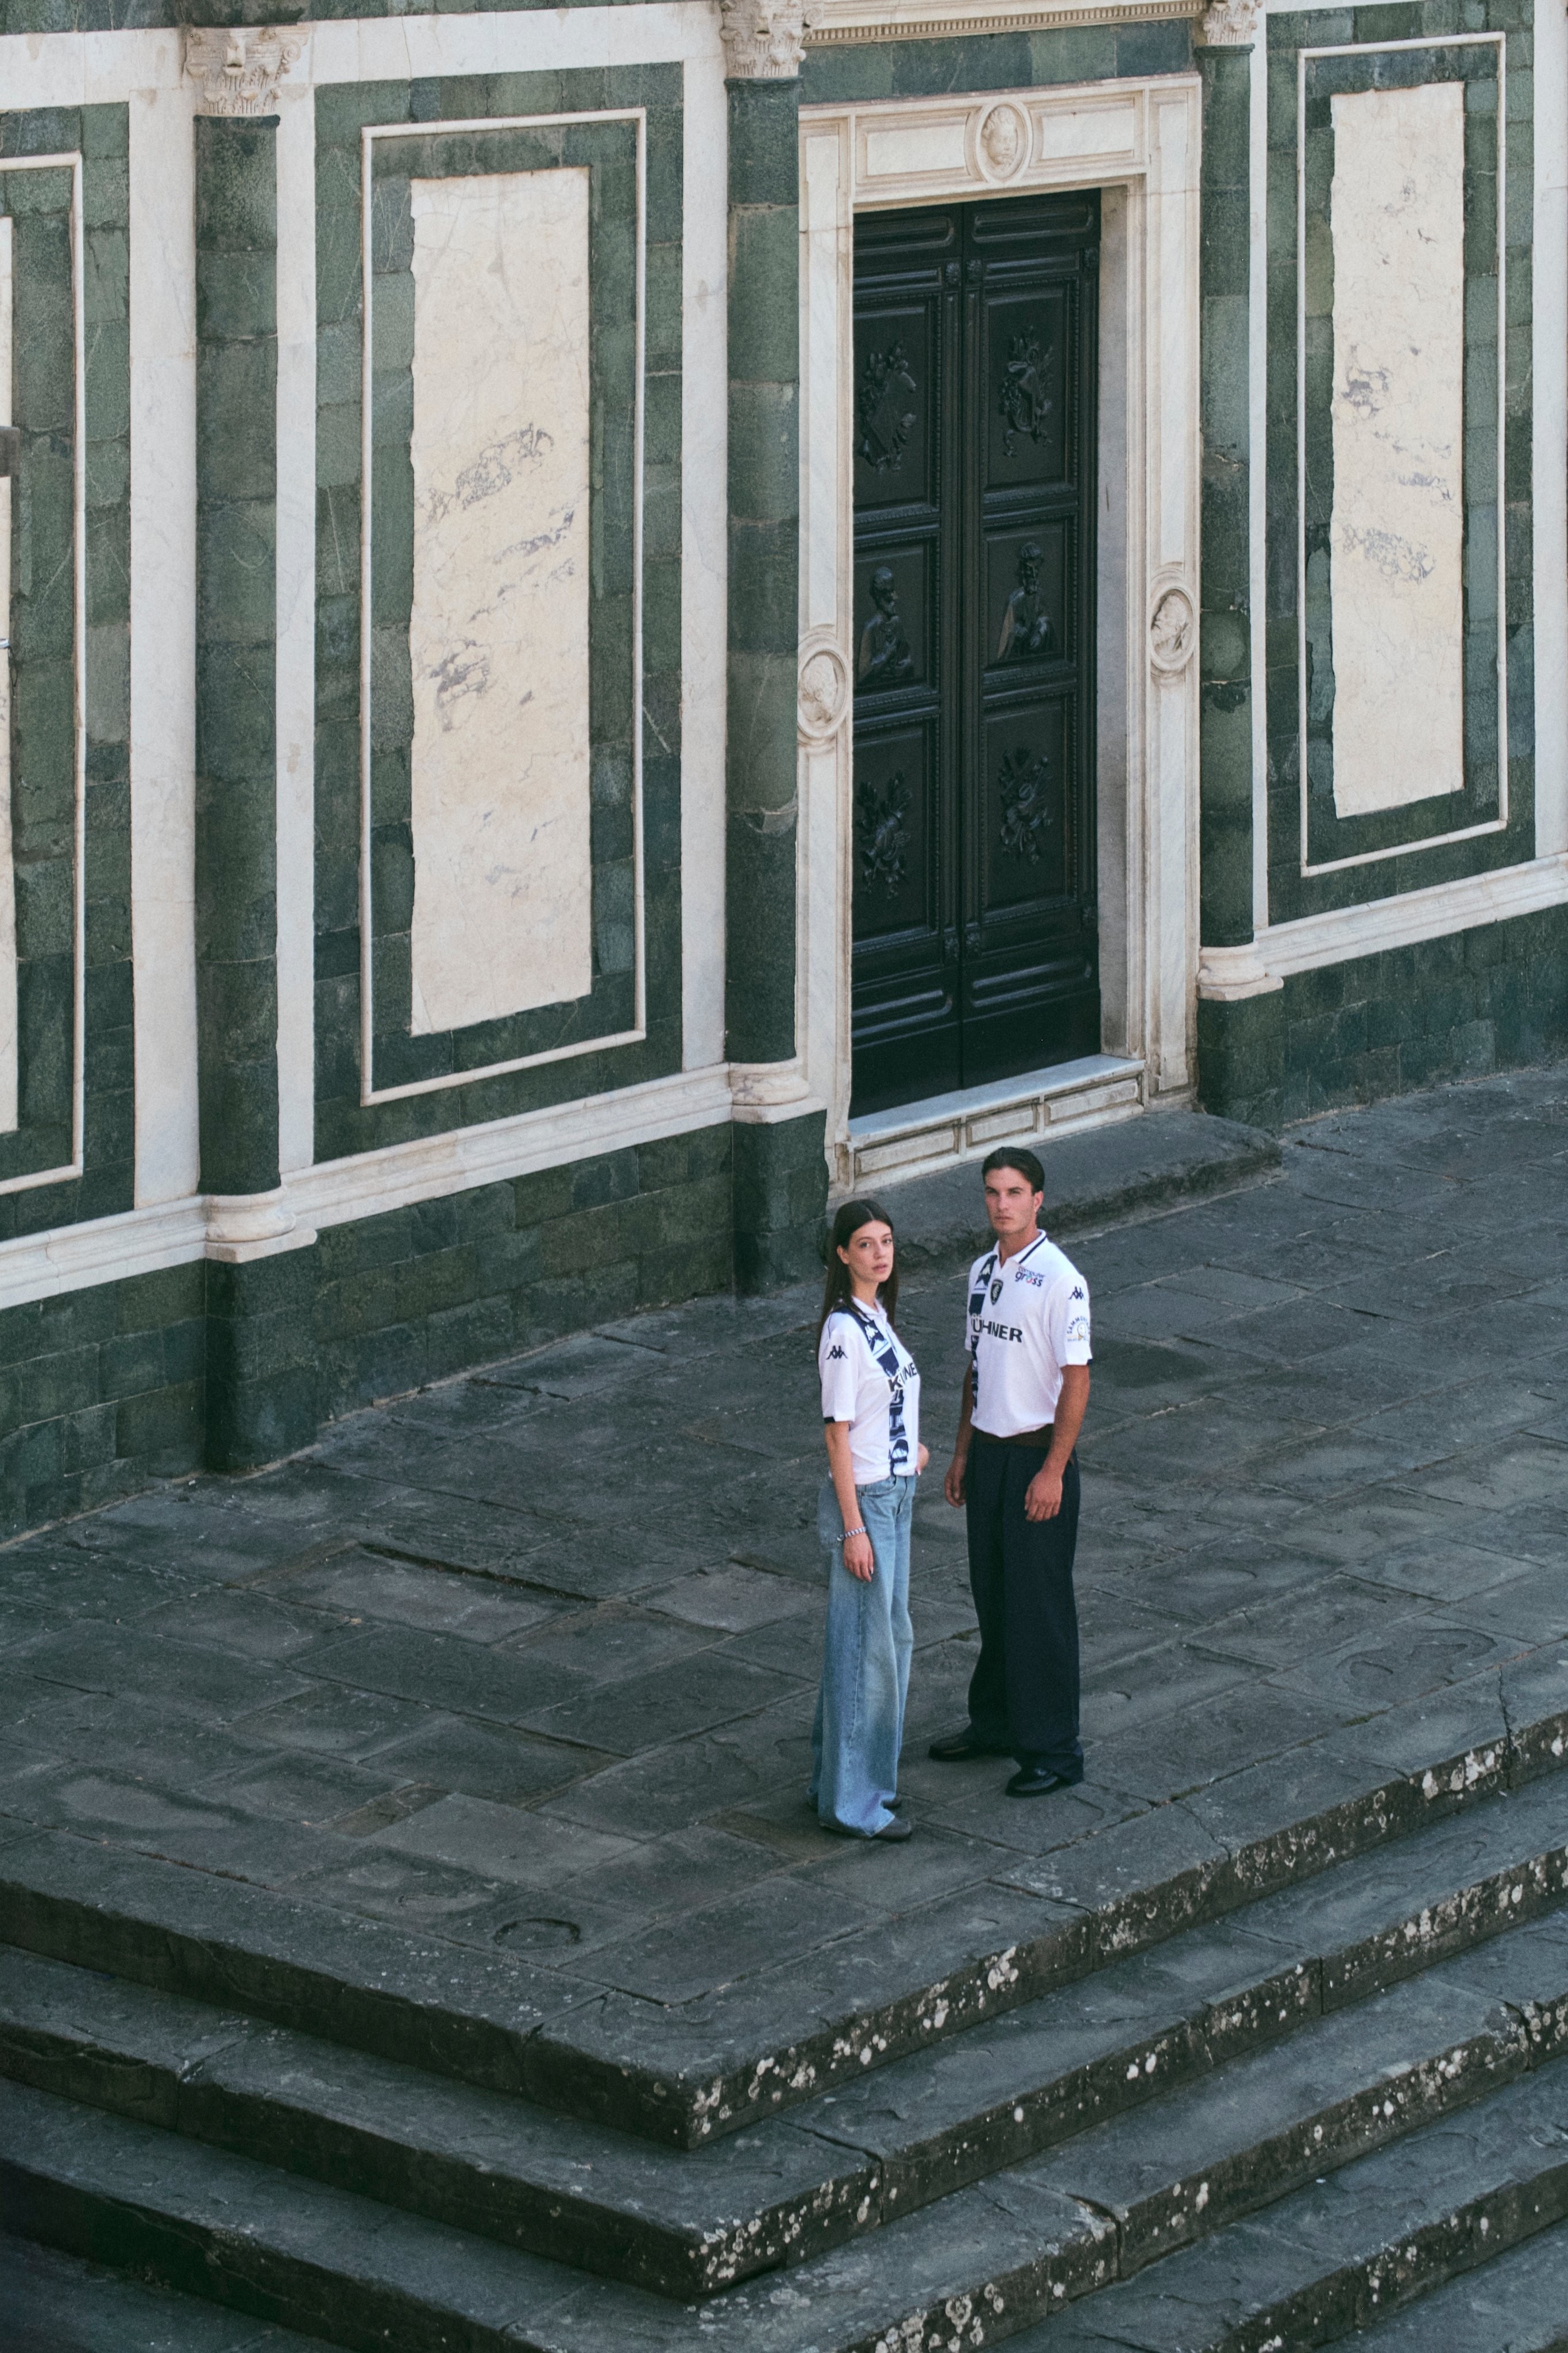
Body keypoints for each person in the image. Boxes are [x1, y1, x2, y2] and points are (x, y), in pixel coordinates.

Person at [930, 1148, 1091, 1797]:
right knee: (993, 1596)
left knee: (1039, 1609)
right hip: (991, 1457)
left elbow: (1077, 1382)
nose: (1003, 1204)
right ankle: (995, 1721)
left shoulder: (1061, 1279)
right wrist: (963, 1453)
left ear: (1039, 1199)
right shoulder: (979, 1272)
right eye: (993, 1192)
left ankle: (1054, 1749)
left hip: (1035, 1458)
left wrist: (1053, 1470)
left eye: (1015, 1192)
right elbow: (976, 1371)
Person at [810, 1198, 928, 1840]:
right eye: (865, 1243)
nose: (880, 1253)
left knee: (888, 1642)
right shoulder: (842, 1331)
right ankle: (852, 1805)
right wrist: (853, 1528)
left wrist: (913, 1450)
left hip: (896, 1492)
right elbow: (837, 1434)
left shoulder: (876, 1315)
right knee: (868, 1654)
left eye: (887, 1240)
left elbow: (885, 1406)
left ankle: (846, 1782)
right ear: (842, 1254)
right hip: (868, 1504)